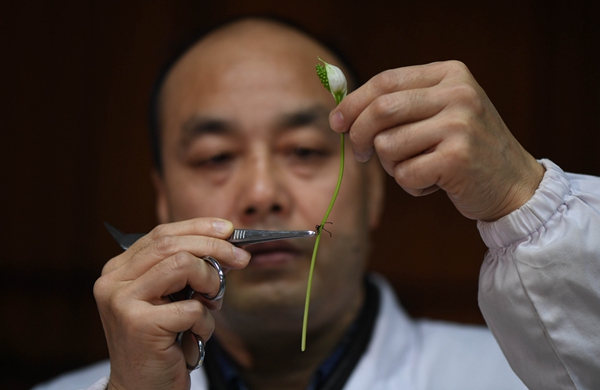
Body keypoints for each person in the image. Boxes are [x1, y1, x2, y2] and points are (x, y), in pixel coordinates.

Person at [33, 17, 600, 390]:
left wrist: (525, 202)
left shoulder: (527, 376)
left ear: (376, 190)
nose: (261, 195)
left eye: (304, 149)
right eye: (213, 157)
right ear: (162, 198)